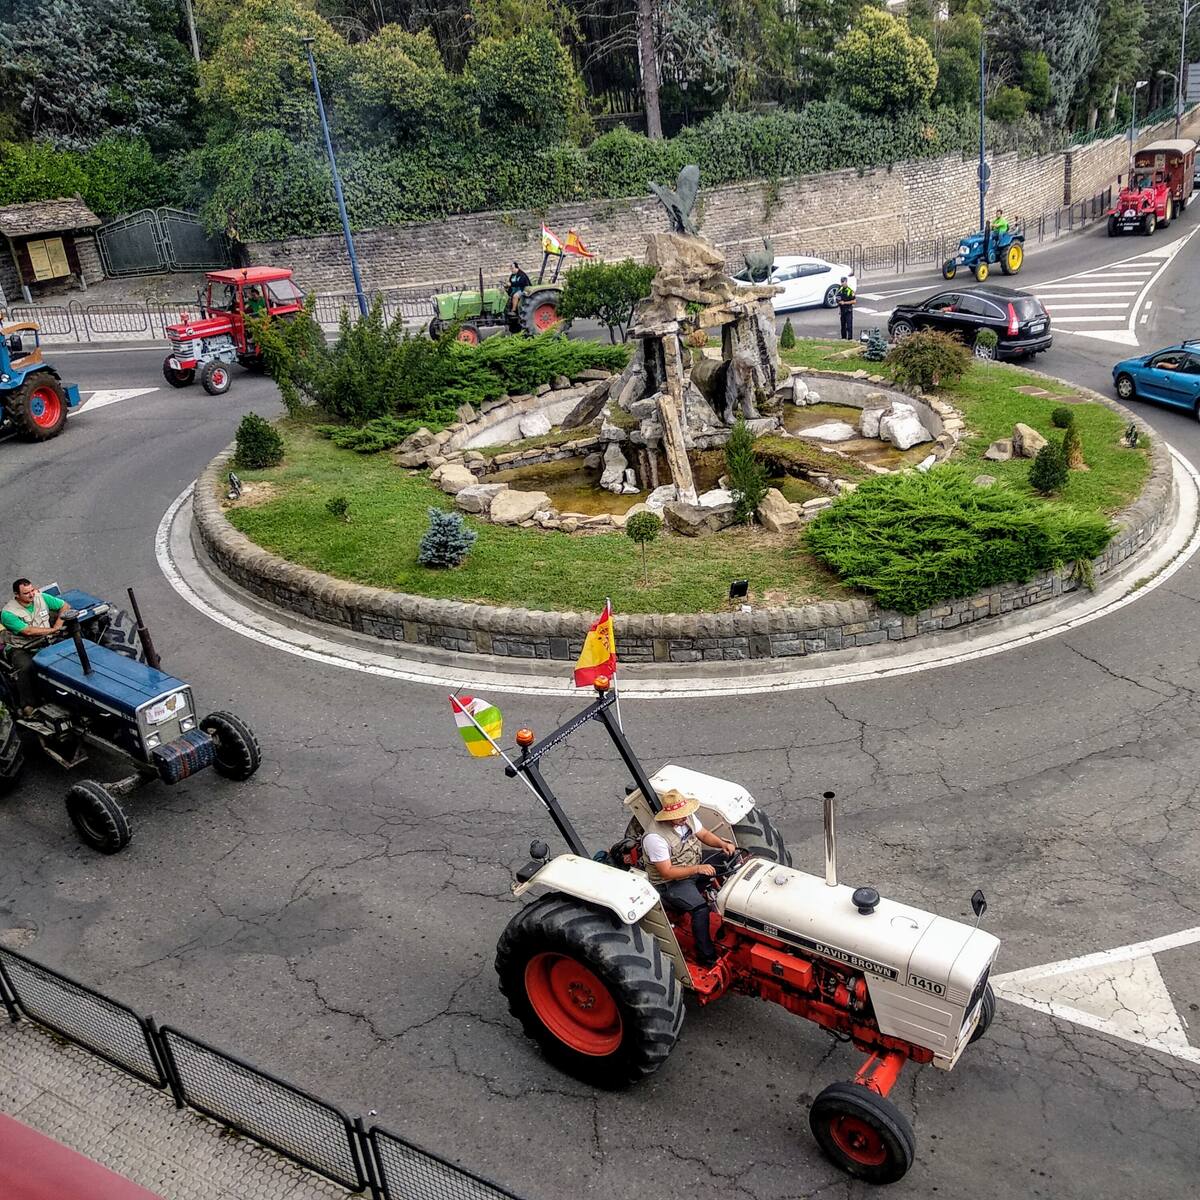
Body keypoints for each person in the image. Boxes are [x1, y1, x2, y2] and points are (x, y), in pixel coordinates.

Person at [642, 789, 737, 968]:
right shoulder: (655, 838)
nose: (685, 818)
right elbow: (666, 872)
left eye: (685, 813)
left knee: (730, 861)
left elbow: (704, 835)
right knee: (700, 910)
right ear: (668, 816)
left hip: (693, 864)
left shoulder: (687, 818)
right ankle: (706, 956)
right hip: (671, 883)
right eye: (680, 816)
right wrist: (698, 868)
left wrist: (722, 844)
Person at [1, 579, 68, 712]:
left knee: (69, 652)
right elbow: (28, 631)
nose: (31, 595)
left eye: (32, 590)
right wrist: (52, 631)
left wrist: (58, 625)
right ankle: (28, 705)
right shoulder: (8, 613)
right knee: (25, 667)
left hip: (47, 640)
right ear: (17, 595)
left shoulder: (41, 597)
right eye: (26, 593)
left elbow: (65, 606)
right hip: (22, 647)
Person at [836, 276, 856, 341]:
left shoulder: (850, 290)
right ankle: (843, 339)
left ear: (846, 282)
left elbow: (854, 301)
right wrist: (839, 302)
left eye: (843, 282)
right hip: (842, 310)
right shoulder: (840, 290)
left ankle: (850, 339)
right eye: (841, 282)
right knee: (843, 326)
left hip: (848, 310)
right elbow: (837, 299)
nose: (842, 283)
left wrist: (845, 303)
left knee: (849, 326)